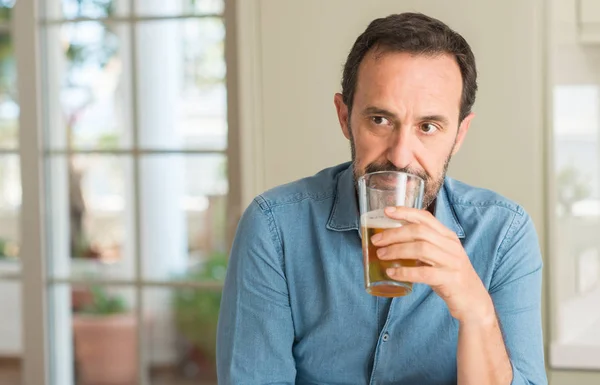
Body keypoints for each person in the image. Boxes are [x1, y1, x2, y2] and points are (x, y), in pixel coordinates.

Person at [217, 12, 546, 385]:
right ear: (345, 116)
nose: (401, 156)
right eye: (380, 120)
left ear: (459, 134)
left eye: (428, 127)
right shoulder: (274, 228)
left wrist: (476, 312)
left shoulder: (504, 234)